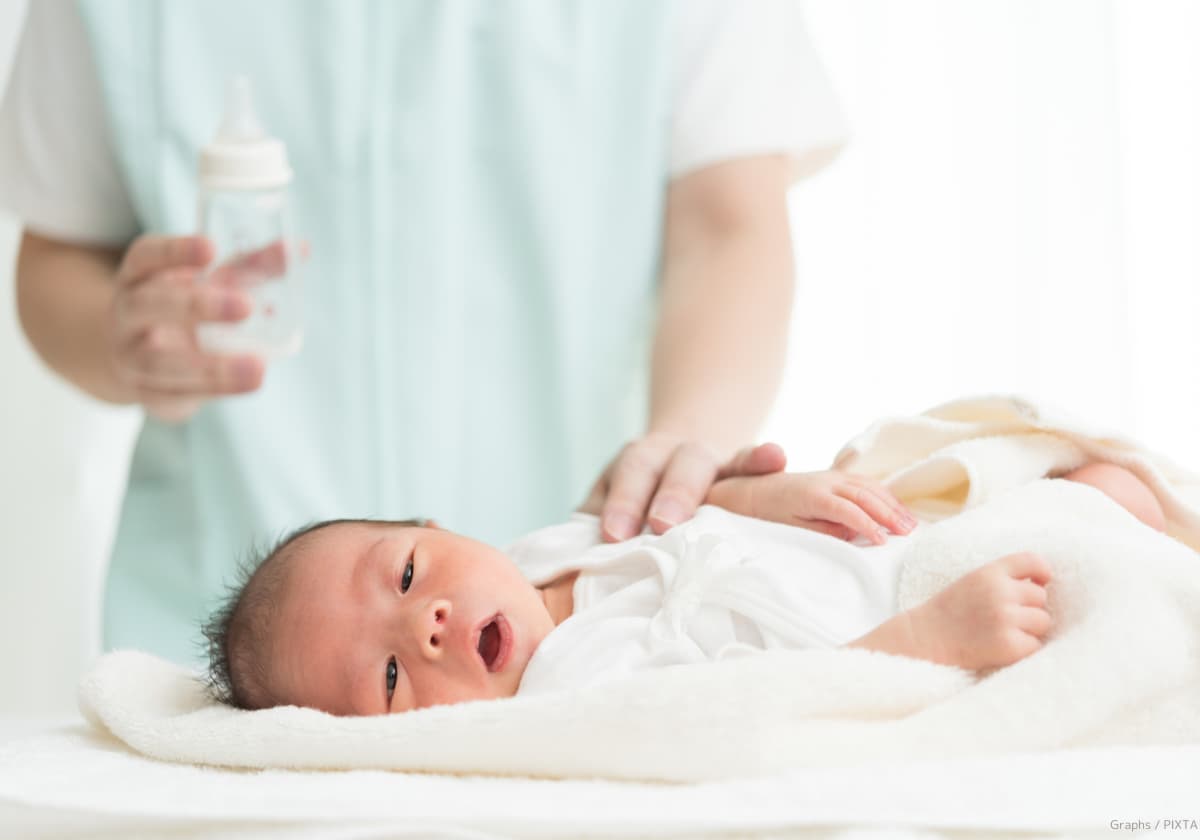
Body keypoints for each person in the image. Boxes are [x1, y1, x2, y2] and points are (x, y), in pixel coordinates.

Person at [0, 1, 848, 665]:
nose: (426, 623)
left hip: (597, 594)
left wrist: (683, 451)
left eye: (410, 575)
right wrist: (118, 334)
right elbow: (56, 254)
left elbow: (730, 224)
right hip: (210, 642)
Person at [199, 461, 1161, 716]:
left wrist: (757, 494)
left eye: (408, 574)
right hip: (897, 615)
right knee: (1102, 556)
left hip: (874, 537)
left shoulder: (544, 551)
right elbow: (755, 707)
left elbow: (681, 513)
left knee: (1090, 479)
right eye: (390, 679)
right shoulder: (570, 699)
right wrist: (928, 641)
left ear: (439, 527)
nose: (429, 623)